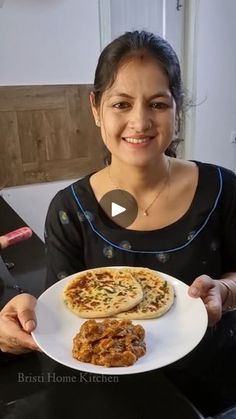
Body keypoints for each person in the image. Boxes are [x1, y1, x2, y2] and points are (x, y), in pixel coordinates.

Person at [0, 30, 236, 414]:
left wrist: (226, 291)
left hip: (215, 388)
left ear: (178, 109)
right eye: (121, 103)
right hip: (110, 396)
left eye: (158, 104)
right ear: (95, 108)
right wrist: (28, 318)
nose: (139, 121)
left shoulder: (223, 189)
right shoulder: (70, 209)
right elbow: (63, 314)